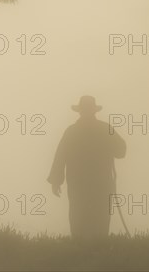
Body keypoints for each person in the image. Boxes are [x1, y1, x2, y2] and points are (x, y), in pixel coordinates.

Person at [47, 95, 126, 240]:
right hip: (100, 183)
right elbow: (121, 151)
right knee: (99, 215)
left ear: (80, 111)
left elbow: (60, 156)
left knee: (79, 215)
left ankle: (81, 248)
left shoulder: (72, 131)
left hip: (79, 183)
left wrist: (56, 181)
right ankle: (97, 249)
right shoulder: (104, 129)